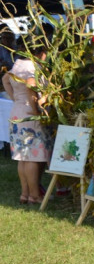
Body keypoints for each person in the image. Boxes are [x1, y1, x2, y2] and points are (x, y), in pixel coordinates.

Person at [2, 36, 52, 204]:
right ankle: (35, 195)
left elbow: (5, 79)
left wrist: (15, 97)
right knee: (32, 157)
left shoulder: (18, 64)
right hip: (29, 113)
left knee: (22, 156)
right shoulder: (33, 66)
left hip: (17, 111)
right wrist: (35, 107)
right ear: (39, 52)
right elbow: (31, 85)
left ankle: (25, 194)